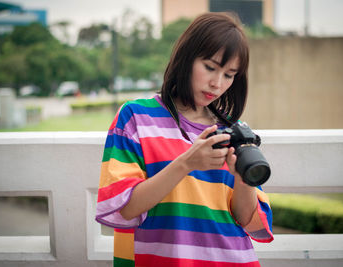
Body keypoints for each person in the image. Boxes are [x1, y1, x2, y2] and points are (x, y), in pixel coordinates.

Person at [96, 12, 273, 267]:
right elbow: (124, 207)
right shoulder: (136, 117)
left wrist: (242, 178)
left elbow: (246, 220)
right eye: (210, 67)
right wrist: (186, 163)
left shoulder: (232, 130)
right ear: (186, 58)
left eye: (229, 74)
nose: (217, 83)